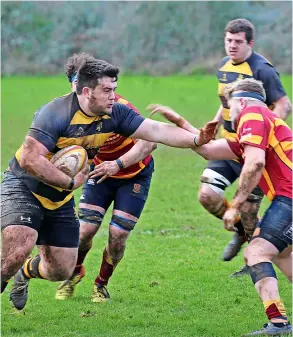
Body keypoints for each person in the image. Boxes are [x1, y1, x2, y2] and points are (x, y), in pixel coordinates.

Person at [1, 58, 217, 311]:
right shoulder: (55, 114)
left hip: (60, 197)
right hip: (24, 187)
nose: (114, 96)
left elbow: (157, 132)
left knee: (61, 269)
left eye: (114, 89)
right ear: (86, 91)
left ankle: (23, 274)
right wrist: (69, 181)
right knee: (19, 248)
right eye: (107, 90)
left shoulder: (115, 112)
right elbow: (28, 158)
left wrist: (196, 137)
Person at [148, 77, 292, 336]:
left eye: (230, 105)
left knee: (256, 253)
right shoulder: (258, 122)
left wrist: (235, 204)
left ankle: (279, 323)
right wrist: (181, 122)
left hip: (289, 199)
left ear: (243, 101)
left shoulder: (253, 115)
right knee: (281, 254)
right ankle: (279, 323)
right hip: (287, 198)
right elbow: (209, 150)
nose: (228, 112)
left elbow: (255, 163)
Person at [55, 52, 157, 303]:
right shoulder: (67, 112)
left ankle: (101, 284)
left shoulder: (117, 107)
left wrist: (118, 164)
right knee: (84, 231)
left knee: (118, 235)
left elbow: (150, 141)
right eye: (74, 82)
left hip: (134, 174)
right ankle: (75, 272)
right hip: (100, 174)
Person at [197, 18, 291, 268]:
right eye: (228, 40)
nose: (232, 46)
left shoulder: (263, 70)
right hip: (230, 146)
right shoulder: (223, 66)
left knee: (250, 212)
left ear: (250, 43)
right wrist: (217, 120)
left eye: (238, 42)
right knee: (207, 195)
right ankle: (240, 231)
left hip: (255, 151)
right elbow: (229, 99)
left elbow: (284, 105)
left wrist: (260, 136)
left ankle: (254, 261)